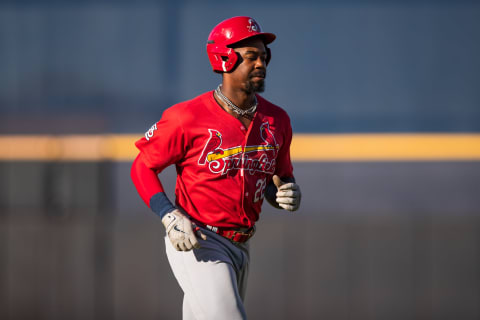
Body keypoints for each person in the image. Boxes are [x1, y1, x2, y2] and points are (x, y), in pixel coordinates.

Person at [130, 16, 301, 320]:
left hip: (242, 245)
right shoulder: (187, 117)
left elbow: (278, 177)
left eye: (264, 56)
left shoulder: (277, 120)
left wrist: (283, 192)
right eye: (251, 56)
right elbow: (142, 167)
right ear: (225, 58)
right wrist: (168, 215)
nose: (261, 63)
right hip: (199, 240)